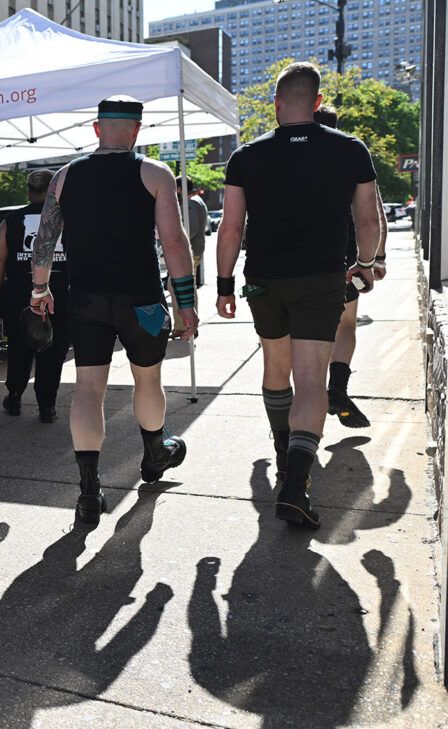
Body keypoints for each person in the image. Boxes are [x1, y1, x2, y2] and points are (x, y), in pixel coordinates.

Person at [216, 63, 381, 529]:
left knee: (275, 370)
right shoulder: (350, 149)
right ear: (317, 103)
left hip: (264, 279)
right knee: (311, 382)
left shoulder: (245, 157)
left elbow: (231, 228)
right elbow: (368, 220)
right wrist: (366, 265)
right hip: (321, 279)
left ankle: (283, 456)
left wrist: (225, 284)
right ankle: (294, 486)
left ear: (275, 104)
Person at [28, 96, 198, 525]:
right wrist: (186, 305)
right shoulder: (154, 174)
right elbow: (175, 244)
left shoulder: (65, 177)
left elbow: (45, 239)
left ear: (96, 128)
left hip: (85, 299)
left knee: (88, 390)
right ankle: (155, 454)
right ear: (137, 131)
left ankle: (88, 492)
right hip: (141, 299)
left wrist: (39, 289)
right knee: (148, 379)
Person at [314, 105, 388, 429]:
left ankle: (308, 403)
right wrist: (376, 259)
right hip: (346, 261)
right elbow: (374, 215)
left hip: (299, 262)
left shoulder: (291, 157)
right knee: (345, 326)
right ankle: (337, 389)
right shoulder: (353, 154)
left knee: (307, 333)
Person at [0, 169, 70, 422]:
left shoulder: (11, 219)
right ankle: (47, 405)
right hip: (58, 292)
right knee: (54, 349)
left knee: (18, 346)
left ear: (29, 191)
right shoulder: (68, 218)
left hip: (19, 292)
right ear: (54, 190)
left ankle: (14, 395)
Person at [180, 177, 209, 287]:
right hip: (197, 248)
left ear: (180, 188)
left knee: (185, 285)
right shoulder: (197, 199)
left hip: (192, 249)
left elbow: (191, 227)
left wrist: (181, 241)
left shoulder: (190, 202)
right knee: (190, 284)